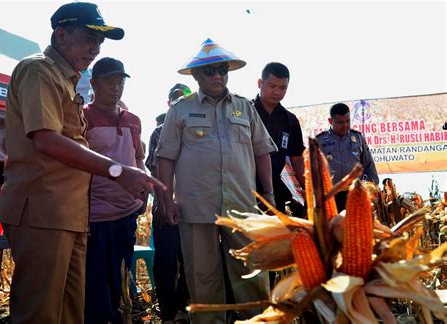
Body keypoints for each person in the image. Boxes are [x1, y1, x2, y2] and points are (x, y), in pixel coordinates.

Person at [0, 3, 164, 323]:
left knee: (72, 312)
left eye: (100, 41)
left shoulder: (66, 79)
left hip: (70, 214)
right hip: (41, 211)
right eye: (89, 38)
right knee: (41, 314)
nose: (96, 49)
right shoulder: (39, 71)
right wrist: (117, 170)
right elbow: (46, 138)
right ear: (61, 34)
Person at [156, 38, 277, 324]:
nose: (217, 76)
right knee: (202, 276)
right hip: (196, 207)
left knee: (251, 271)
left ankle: (259, 321)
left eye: (222, 70)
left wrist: (268, 194)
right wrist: (166, 201)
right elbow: (165, 158)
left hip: (241, 207)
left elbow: (262, 152)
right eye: (209, 71)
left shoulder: (245, 108)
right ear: (196, 75)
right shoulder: (180, 110)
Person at [83, 57, 146, 324]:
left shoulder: (133, 119)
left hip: (126, 213)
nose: (116, 87)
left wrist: (142, 191)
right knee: (96, 283)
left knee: (121, 276)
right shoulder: (83, 116)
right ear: (94, 83)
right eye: (109, 81)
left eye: (120, 81)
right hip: (94, 215)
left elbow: (139, 158)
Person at [146, 83, 191, 324]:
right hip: (166, 205)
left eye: (184, 97)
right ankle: (168, 313)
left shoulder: (195, 129)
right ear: (168, 103)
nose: (179, 101)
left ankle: (184, 307)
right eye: (174, 98)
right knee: (166, 261)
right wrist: (164, 204)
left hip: (192, 207)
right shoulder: (160, 131)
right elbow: (155, 169)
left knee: (190, 260)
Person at [253, 62, 305, 216]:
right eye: (272, 86)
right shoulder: (245, 113)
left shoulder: (290, 120)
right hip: (245, 187)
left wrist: (309, 190)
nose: (277, 92)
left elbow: (297, 160)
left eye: (283, 88)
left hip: (276, 190)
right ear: (260, 83)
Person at [316, 102, 379, 211]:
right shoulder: (320, 141)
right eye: (340, 122)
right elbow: (315, 171)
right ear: (330, 121)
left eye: (347, 121)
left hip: (356, 194)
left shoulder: (358, 138)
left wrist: (374, 188)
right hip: (332, 196)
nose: (345, 125)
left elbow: (368, 165)